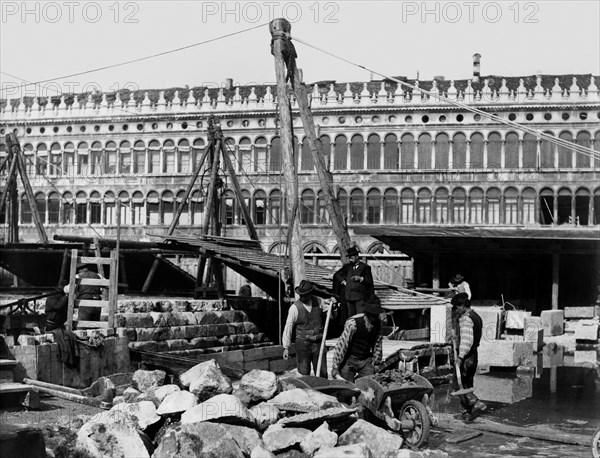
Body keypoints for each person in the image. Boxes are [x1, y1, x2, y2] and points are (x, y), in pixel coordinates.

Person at [282, 280, 335, 377]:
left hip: (318, 343)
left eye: (305, 295)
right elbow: (288, 327)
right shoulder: (294, 308)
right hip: (303, 343)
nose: (303, 297)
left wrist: (332, 306)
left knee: (322, 373)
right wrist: (286, 347)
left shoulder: (318, 301)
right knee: (303, 373)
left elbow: (331, 315)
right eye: (301, 295)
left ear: (310, 293)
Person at [331, 295, 385, 382]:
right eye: (371, 314)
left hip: (365, 360)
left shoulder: (378, 325)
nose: (374, 317)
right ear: (367, 313)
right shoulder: (353, 324)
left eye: (375, 314)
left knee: (369, 382)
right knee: (347, 387)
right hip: (349, 359)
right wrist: (335, 366)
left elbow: (378, 345)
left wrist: (377, 363)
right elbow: (342, 346)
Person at [451, 292, 487, 421]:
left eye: (456, 307)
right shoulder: (476, 316)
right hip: (473, 354)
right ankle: (468, 413)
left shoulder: (466, 319)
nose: (456, 310)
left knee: (458, 385)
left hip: (466, 356)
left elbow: (467, 340)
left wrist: (460, 357)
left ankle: (475, 403)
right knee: (467, 384)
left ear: (462, 306)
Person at [340, 246, 374, 316]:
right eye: (349, 258)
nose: (350, 260)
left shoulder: (365, 267)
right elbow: (338, 275)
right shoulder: (347, 267)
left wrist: (360, 278)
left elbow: (369, 281)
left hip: (360, 297)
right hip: (349, 297)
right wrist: (343, 281)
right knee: (351, 318)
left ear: (357, 256)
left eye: (352, 258)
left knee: (360, 317)